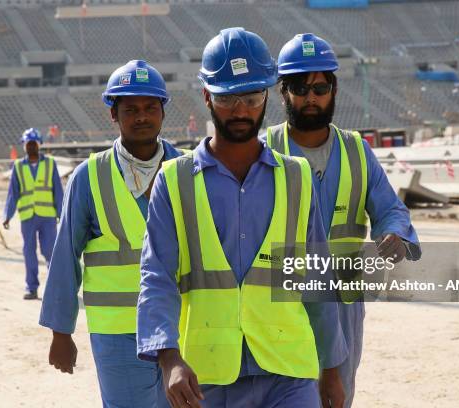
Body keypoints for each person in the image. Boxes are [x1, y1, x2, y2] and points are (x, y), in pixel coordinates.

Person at [137, 28, 348, 408]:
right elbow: (158, 277)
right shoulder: (175, 181)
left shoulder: (297, 177)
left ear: (267, 95)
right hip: (207, 376)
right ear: (206, 97)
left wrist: (331, 369)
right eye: (227, 98)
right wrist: (168, 359)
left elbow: (318, 279)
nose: (240, 110)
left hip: (290, 372)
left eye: (251, 97)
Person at [264, 33, 421, 408]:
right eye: (301, 87)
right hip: (282, 302)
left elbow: (390, 210)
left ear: (333, 90)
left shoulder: (356, 151)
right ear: (283, 92)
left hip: (342, 300)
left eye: (321, 87)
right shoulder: (265, 150)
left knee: (337, 397)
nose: (311, 97)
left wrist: (395, 235)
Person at [39, 60, 185, 408]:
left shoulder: (189, 169)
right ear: (113, 114)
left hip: (181, 325)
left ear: (163, 112)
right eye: (130, 109)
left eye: (150, 107)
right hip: (116, 332)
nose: (141, 117)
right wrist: (62, 332)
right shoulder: (88, 178)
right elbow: (65, 257)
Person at [3, 128, 63, 300]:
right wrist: (7, 214)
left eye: (33, 144)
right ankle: (32, 288)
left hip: (47, 217)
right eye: (28, 144)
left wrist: (62, 213)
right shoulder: (18, 167)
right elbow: (12, 193)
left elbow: (58, 191)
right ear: (24, 146)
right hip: (28, 217)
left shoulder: (50, 164)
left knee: (51, 252)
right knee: (29, 252)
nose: (30, 147)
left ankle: (56, 288)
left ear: (39, 145)